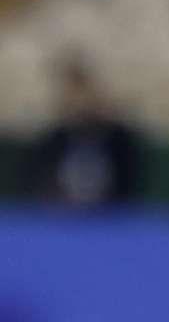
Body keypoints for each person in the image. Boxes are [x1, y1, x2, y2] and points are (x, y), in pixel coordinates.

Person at [31, 55, 139, 208]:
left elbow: (129, 186)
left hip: (110, 218)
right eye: (71, 94)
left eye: (82, 94)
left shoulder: (118, 138)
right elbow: (44, 184)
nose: (79, 102)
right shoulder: (55, 139)